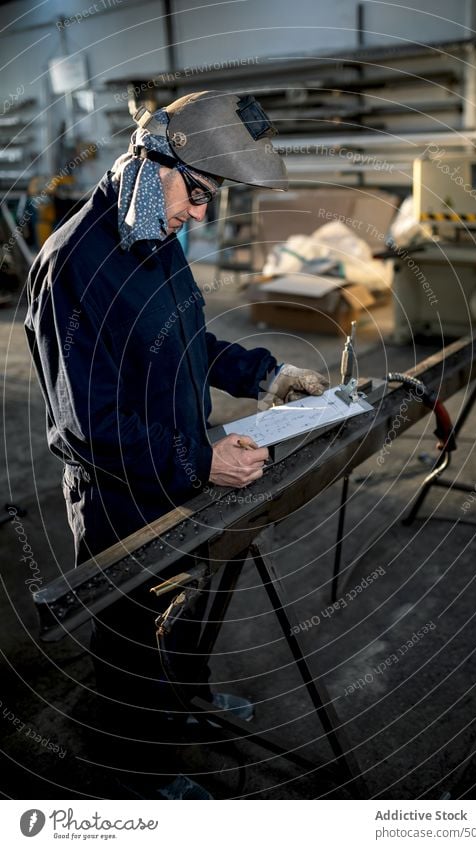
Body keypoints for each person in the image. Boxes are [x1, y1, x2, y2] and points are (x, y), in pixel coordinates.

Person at [25, 90, 328, 796]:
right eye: (197, 192)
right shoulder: (77, 265)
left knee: (183, 608)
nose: (201, 213)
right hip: (119, 500)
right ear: (149, 159)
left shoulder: (152, 238)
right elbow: (85, 425)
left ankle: (181, 709)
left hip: (181, 472)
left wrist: (266, 372)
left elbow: (187, 341)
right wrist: (200, 458)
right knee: (130, 639)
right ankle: (136, 770)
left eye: (211, 199)